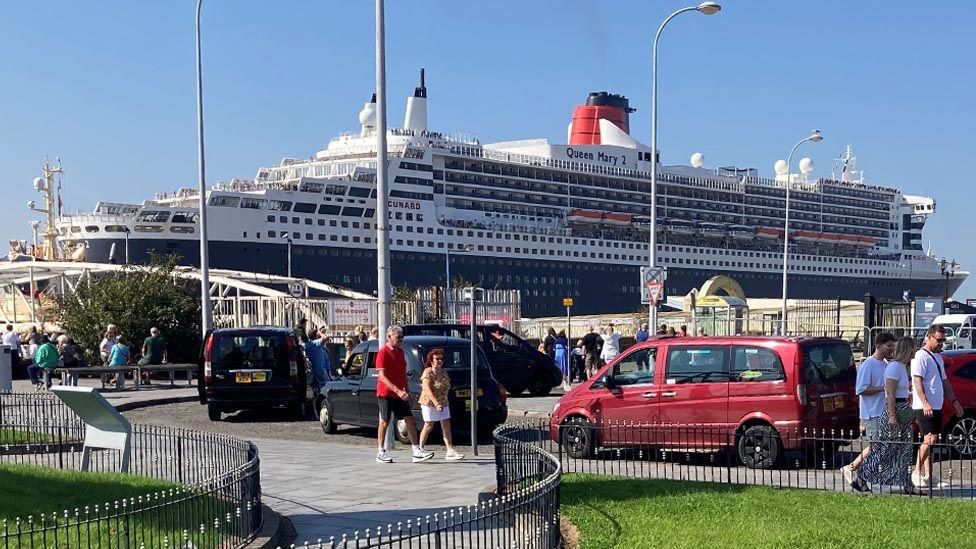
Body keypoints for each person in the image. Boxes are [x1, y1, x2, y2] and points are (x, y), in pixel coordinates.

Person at [858, 337, 918, 493]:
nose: (915, 352)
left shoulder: (902, 367)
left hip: (902, 406)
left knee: (905, 448)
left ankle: (907, 483)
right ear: (908, 349)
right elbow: (890, 394)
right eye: (914, 349)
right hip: (894, 409)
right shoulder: (894, 368)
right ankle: (862, 475)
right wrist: (892, 416)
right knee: (885, 448)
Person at [911, 324, 964, 490]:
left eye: (943, 340)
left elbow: (945, 382)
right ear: (929, 337)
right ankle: (916, 471)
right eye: (938, 340)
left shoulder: (938, 358)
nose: (941, 344)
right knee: (930, 438)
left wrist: (954, 401)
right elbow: (917, 380)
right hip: (924, 406)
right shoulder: (921, 356)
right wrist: (925, 402)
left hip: (936, 404)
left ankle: (928, 474)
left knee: (933, 440)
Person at [841, 332, 895, 492]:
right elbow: (861, 389)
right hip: (872, 412)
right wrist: (882, 388)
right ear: (878, 346)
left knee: (879, 446)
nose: (891, 350)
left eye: (893, 347)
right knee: (877, 446)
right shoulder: (868, 364)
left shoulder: (886, 364)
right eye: (889, 346)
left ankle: (855, 470)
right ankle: (856, 471)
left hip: (883, 411)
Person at [375, 325, 433, 464]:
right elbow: (381, 376)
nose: (400, 340)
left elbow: (402, 374)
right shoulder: (383, 353)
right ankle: (380, 452)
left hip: (400, 393)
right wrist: (398, 390)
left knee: (409, 419)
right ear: (389, 337)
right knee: (385, 421)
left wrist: (406, 390)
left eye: (402, 337)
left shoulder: (401, 352)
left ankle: (416, 450)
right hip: (386, 393)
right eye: (397, 337)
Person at [418, 348, 464, 461]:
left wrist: (442, 402)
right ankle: (420, 449)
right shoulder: (428, 372)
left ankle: (450, 450)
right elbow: (427, 389)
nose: (439, 361)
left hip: (443, 402)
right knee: (429, 425)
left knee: (446, 424)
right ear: (431, 360)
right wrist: (436, 403)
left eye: (441, 359)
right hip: (429, 403)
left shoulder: (444, 372)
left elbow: (447, 386)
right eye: (437, 359)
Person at [304, 327, 331, 392]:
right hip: (320, 369)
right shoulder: (316, 343)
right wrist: (319, 332)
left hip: (313, 369)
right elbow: (325, 338)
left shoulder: (308, 345)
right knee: (328, 386)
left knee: (317, 387)